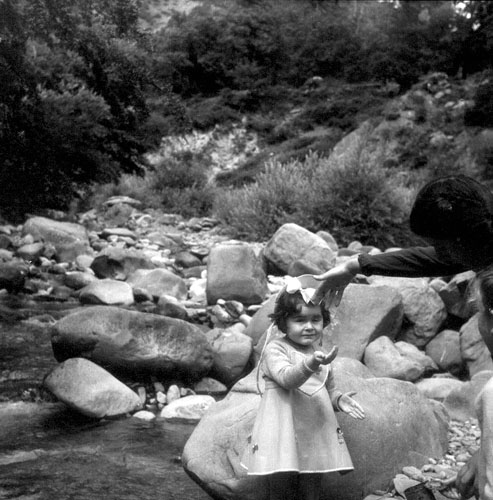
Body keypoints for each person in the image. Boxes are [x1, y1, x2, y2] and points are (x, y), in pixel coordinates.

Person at [312, 175, 493, 500]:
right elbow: (437, 259)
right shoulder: (482, 243)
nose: (441, 254)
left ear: (462, 239)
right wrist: (357, 265)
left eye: (441, 244)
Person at [241, 275, 365, 500]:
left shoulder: (319, 354)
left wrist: (338, 400)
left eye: (315, 319)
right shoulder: (276, 349)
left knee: (312, 483)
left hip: (313, 431)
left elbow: (327, 389)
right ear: (283, 323)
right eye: (300, 320)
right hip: (282, 429)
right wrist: (311, 363)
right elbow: (286, 378)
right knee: (280, 484)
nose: (309, 326)